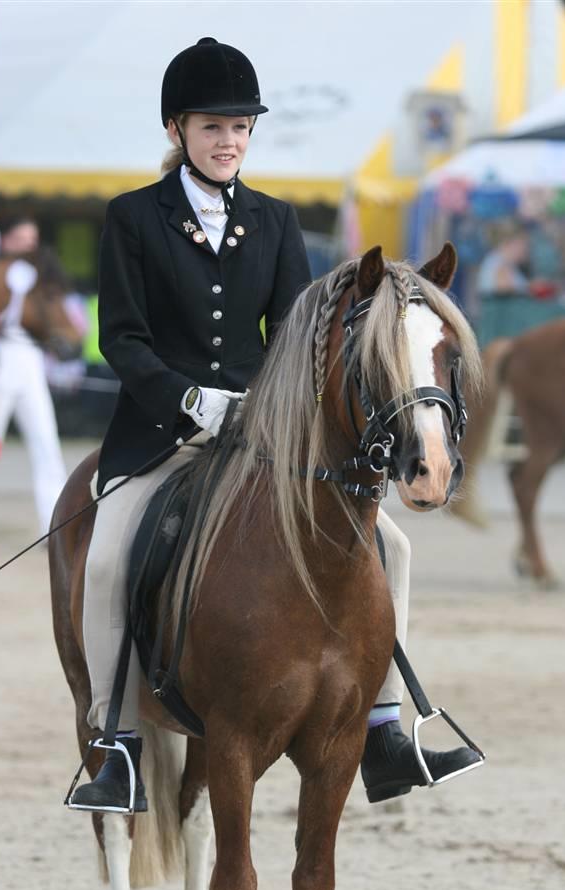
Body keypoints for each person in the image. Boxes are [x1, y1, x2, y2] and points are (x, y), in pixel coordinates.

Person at [69, 37, 480, 813]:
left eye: (241, 128)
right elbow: (121, 337)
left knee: (389, 542)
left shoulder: (275, 220)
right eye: (213, 127)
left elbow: (296, 333)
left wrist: (268, 407)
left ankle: (388, 725)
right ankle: (115, 740)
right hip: (162, 432)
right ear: (176, 131)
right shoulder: (133, 218)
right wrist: (191, 400)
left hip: (259, 437)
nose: (229, 141)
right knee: (107, 555)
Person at [0, 217, 68, 535]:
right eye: (21, 238)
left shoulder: (36, 275)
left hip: (30, 358)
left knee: (45, 440)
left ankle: (53, 524)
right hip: (1, 355)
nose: (28, 245)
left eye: (32, 239)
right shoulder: (0, 273)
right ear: (6, 241)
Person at [476, 228, 530, 297]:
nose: (526, 249)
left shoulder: (501, 261)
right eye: (523, 244)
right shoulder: (501, 266)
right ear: (509, 243)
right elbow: (507, 298)